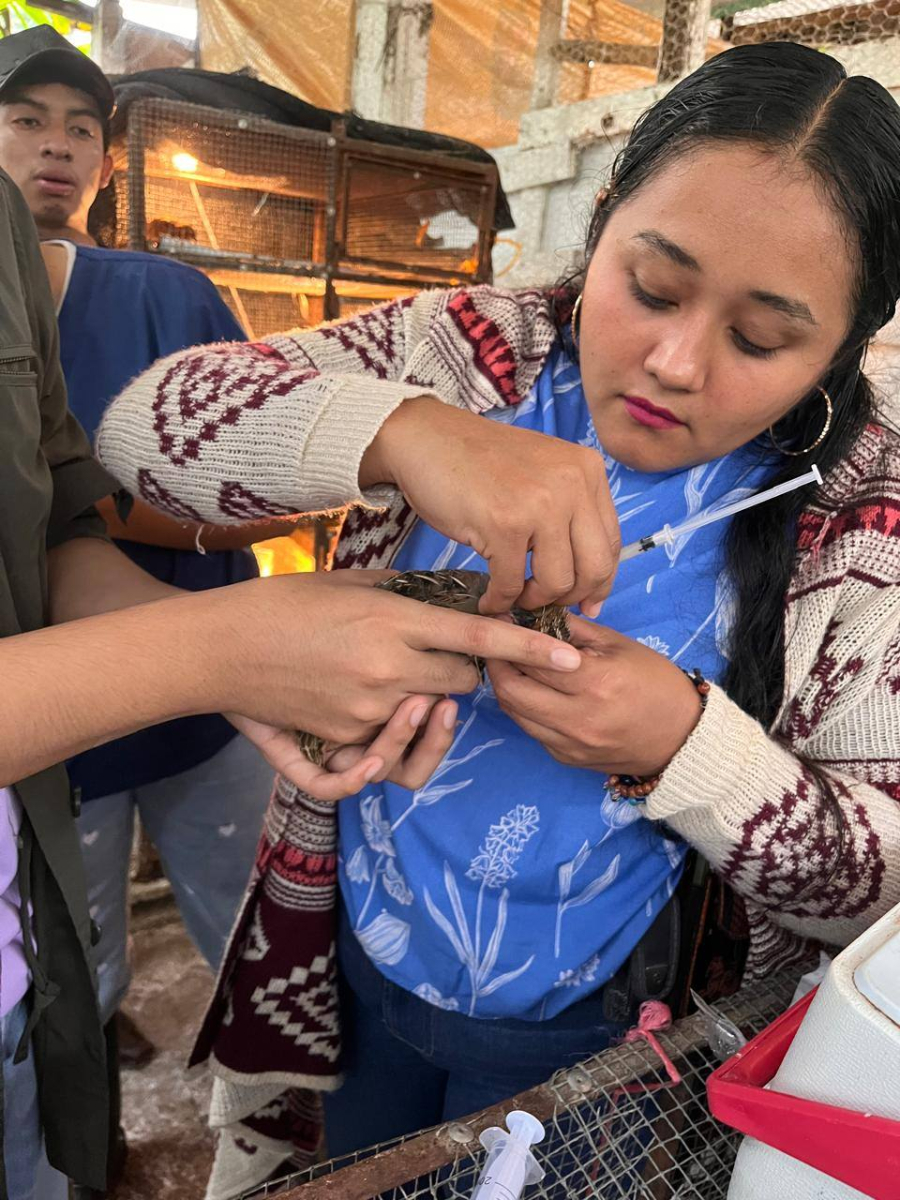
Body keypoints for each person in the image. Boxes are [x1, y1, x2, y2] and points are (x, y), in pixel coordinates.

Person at [98, 41, 900, 1188]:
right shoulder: (473, 355)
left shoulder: (868, 522)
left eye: (761, 340)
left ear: (840, 346)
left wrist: (687, 747)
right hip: (360, 958)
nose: (674, 362)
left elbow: (876, 899)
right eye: (652, 287)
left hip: (610, 1032)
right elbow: (145, 432)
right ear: (605, 217)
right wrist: (405, 435)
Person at [0, 157, 582, 1200]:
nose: (682, 361)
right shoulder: (487, 338)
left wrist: (228, 644)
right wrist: (223, 644)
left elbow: (49, 531)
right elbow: (144, 434)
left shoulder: (7, 230)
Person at [0, 29, 284, 1174]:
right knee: (84, 961)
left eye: (82, 130)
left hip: (199, 713)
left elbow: (264, 468)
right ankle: (94, 1147)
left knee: (254, 932)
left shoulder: (169, 292)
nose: (56, 149)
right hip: (60, 737)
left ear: (109, 168)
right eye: (28, 121)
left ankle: (269, 1126)